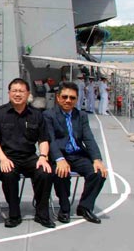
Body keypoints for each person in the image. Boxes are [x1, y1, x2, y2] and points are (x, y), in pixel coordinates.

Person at [0, 78, 55, 228]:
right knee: (8, 174)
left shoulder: (36, 114)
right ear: (9, 93)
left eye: (21, 91)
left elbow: (43, 139)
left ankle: (42, 214)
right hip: (7, 156)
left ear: (28, 94)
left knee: (45, 172)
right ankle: (14, 214)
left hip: (29, 156)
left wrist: (43, 157)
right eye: (14, 91)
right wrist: (3, 159)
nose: (17, 94)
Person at [44, 81, 108, 224]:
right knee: (61, 173)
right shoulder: (48, 115)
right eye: (65, 97)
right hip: (59, 155)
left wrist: (97, 159)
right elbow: (50, 140)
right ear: (58, 97)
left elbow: (88, 138)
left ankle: (85, 207)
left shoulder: (81, 116)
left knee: (98, 173)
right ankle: (64, 207)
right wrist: (59, 159)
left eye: (72, 98)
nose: (68, 100)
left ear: (77, 99)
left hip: (77, 155)